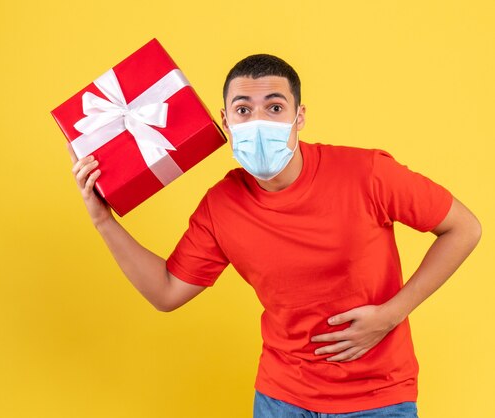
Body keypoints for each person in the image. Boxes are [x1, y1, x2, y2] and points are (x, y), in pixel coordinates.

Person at [67, 54, 481, 418]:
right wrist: (103, 220)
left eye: (275, 107)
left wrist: (392, 314)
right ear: (226, 121)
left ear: (299, 116)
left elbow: (463, 228)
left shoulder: (367, 173)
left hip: (377, 398)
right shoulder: (221, 206)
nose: (259, 121)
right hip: (280, 400)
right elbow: (166, 291)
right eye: (244, 110)